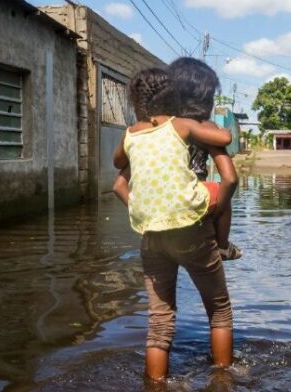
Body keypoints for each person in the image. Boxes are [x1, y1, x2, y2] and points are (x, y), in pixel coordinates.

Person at [113, 67, 236, 382]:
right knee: (219, 310)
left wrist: (143, 210)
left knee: (159, 324)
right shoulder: (181, 126)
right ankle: (223, 381)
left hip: (151, 235)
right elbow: (226, 144)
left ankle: (155, 386)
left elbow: (117, 176)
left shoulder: (132, 135)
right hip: (191, 231)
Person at [114, 58, 242, 261]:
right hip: (196, 210)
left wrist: (141, 210)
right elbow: (230, 179)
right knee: (212, 289)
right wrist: (217, 212)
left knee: (162, 286)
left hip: (156, 218)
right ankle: (224, 247)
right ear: (206, 99)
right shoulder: (205, 128)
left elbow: (119, 185)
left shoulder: (151, 133)